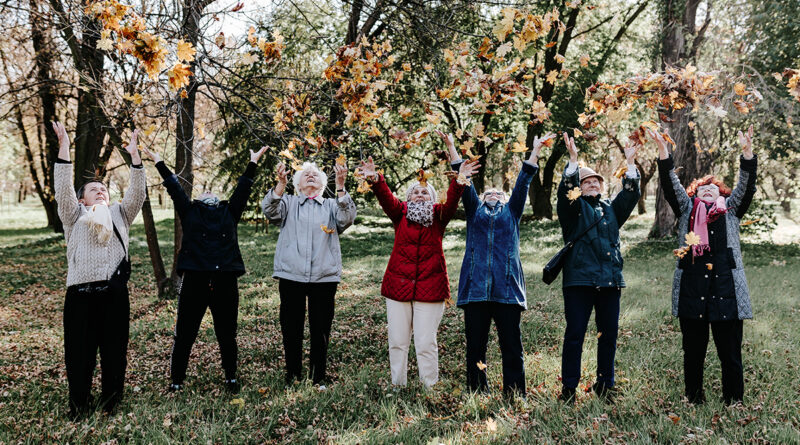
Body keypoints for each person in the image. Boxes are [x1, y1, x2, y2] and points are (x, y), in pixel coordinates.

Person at [436, 130, 555, 397]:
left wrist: (534, 151)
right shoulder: (474, 211)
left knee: (511, 345)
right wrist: (453, 148)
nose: (492, 194)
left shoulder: (512, 212)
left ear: (504, 200)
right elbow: (463, 180)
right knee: (476, 346)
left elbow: (524, 181)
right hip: (476, 290)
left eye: (498, 193)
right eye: (488, 192)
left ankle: (514, 392)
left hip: (507, 290)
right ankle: (477, 390)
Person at [141, 145, 268, 394]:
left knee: (227, 334)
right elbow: (174, 188)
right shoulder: (190, 211)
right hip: (195, 280)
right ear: (198, 200)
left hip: (225, 280)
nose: (208, 192)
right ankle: (176, 380)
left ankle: (231, 378)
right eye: (204, 191)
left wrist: (253, 162)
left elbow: (243, 189)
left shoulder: (229, 211)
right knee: (185, 333)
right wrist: (159, 162)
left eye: (212, 191)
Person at [651, 125, 756, 405]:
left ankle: (734, 401)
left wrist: (747, 155)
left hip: (727, 291)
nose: (708, 191)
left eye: (714, 189)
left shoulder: (731, 211)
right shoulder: (686, 209)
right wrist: (663, 152)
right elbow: (670, 184)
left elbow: (746, 188)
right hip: (692, 289)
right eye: (703, 189)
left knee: (730, 353)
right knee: (693, 353)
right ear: (695, 195)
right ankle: (694, 398)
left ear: (721, 194)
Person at [356, 155, 480, 388]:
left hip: (430, 286)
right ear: (408, 197)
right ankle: (397, 385)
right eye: (416, 192)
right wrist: (375, 179)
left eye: (425, 192)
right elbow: (385, 197)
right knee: (398, 341)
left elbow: (452, 201)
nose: (420, 195)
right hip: (397, 286)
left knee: (425, 342)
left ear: (433, 199)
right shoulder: (399, 213)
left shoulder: (439, 217)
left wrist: (460, 179)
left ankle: (430, 387)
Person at [52, 122, 147, 417]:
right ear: (83, 199)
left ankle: (111, 403)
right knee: (79, 356)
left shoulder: (120, 213)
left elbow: (137, 195)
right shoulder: (74, 214)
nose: (101, 191)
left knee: (114, 353)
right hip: (80, 295)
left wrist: (135, 159)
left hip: (114, 295)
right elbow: (63, 190)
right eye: (94, 189)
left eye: (104, 188)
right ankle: (79, 407)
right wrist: (65, 147)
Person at [556, 132, 641, 404]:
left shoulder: (611, 209)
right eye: (587, 182)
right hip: (579, 283)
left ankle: (605, 385)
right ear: (579, 187)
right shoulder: (573, 208)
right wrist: (573, 161)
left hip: (610, 282)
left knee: (608, 337)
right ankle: (569, 389)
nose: (592, 184)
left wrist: (630, 163)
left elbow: (629, 196)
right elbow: (565, 192)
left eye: (596, 181)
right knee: (575, 336)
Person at [262, 160, 356, 387]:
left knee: (321, 328)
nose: (311, 175)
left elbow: (347, 219)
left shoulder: (331, 205)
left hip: (324, 277)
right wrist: (280, 185)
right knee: (291, 327)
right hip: (291, 275)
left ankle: (319, 377)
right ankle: (292, 374)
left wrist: (341, 185)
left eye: (315, 174)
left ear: (323, 183)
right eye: (306, 174)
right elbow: (270, 211)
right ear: (297, 184)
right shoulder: (289, 202)